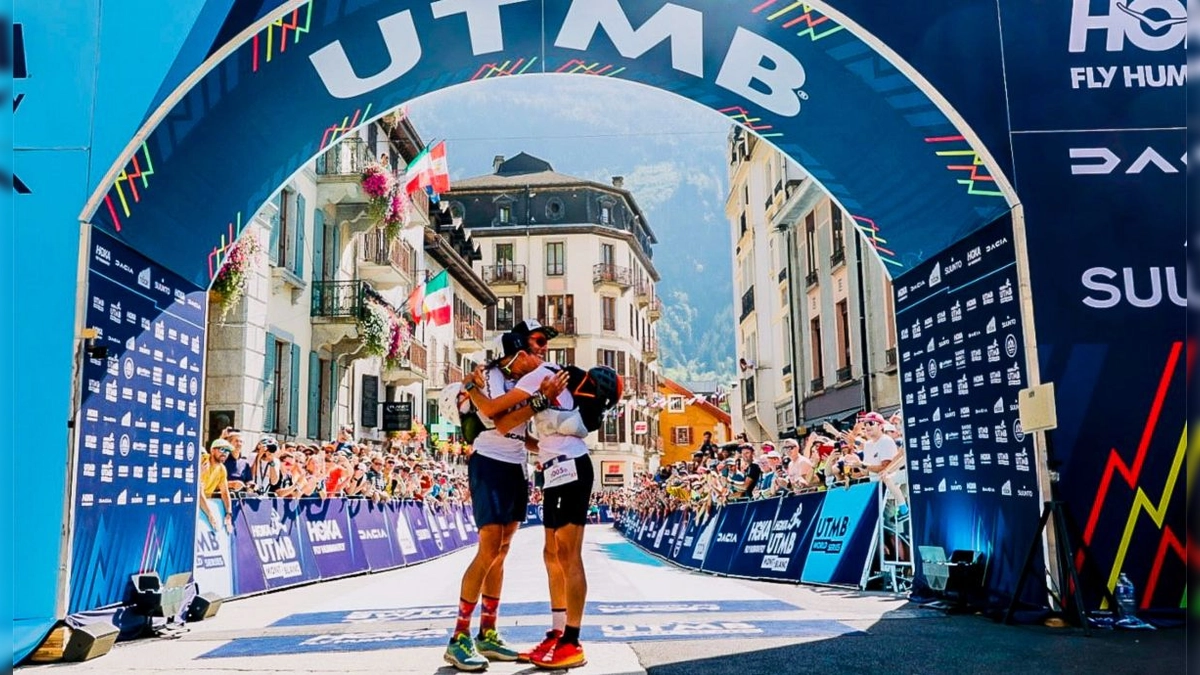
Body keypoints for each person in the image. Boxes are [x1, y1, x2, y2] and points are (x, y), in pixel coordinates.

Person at [442, 326, 566, 672]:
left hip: (515, 466)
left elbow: (518, 432)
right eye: (536, 345)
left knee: (502, 552)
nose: (542, 351)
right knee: (489, 547)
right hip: (489, 463)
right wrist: (470, 385)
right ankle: (458, 637)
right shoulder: (491, 376)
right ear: (516, 353)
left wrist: (549, 448)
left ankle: (488, 632)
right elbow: (498, 420)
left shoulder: (523, 380)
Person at [861, 412, 908, 518]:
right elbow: (899, 456)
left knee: (887, 477)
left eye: (898, 423)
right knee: (886, 477)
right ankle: (903, 508)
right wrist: (887, 470)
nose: (896, 427)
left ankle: (903, 508)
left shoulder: (905, 436)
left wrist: (887, 470)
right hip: (905, 473)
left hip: (917, 471)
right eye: (895, 424)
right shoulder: (905, 438)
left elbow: (903, 459)